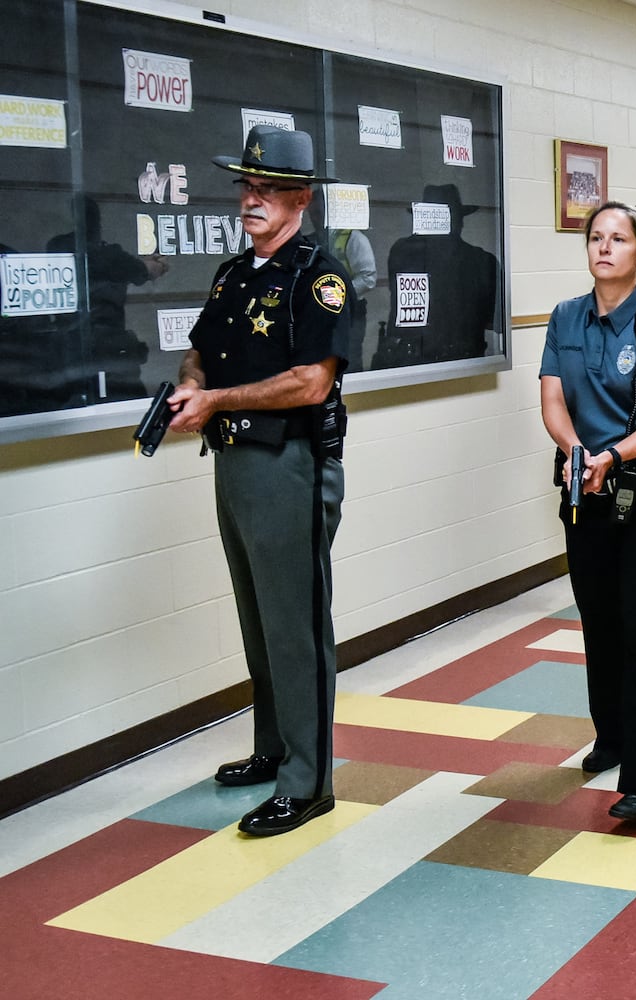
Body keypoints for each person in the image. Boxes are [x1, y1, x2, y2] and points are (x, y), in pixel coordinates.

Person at [165, 126, 351, 837]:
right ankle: (273, 749)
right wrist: (190, 389)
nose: (251, 198)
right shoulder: (234, 273)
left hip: (290, 467)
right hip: (235, 462)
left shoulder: (319, 275)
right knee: (258, 618)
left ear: (300, 196)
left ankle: (308, 783)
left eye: (267, 188)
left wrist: (216, 401)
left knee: (296, 626)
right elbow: (199, 354)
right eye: (245, 185)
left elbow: (309, 382)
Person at [540, 201, 636, 825]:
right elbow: (553, 396)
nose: (604, 248)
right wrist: (576, 450)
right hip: (587, 489)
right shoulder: (565, 317)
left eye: (617, 240)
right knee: (599, 620)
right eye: (595, 239)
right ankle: (613, 734)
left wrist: (614, 453)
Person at [46, 197, 171, 402]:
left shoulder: (58, 245)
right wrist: (156, 263)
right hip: (103, 348)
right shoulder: (107, 254)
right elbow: (147, 270)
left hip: (69, 345)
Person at [375, 183, 498, 367]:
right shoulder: (481, 261)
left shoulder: (403, 251)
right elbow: (493, 321)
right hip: (455, 362)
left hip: (426, 361)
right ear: (459, 222)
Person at [307, 201, 377, 373]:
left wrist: (335, 294)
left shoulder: (354, 238)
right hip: (316, 312)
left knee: (349, 360)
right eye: (313, 212)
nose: (316, 217)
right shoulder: (310, 240)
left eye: (320, 212)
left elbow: (369, 278)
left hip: (350, 311)